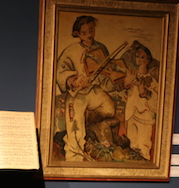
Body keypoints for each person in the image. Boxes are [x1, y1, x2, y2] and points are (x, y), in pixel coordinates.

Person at [56, 15, 119, 161]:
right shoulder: (71, 51)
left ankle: (89, 122)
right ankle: (74, 156)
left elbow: (105, 76)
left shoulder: (100, 48)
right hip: (77, 93)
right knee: (75, 126)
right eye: (84, 33)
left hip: (94, 91)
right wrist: (74, 80)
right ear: (77, 34)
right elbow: (60, 73)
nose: (89, 35)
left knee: (109, 107)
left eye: (91, 30)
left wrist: (116, 79)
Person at [123, 44, 158, 160]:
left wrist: (146, 93)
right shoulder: (132, 76)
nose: (139, 59)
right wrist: (126, 84)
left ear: (148, 60)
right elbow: (125, 95)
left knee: (143, 146)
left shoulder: (152, 80)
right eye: (137, 57)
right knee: (131, 144)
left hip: (145, 118)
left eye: (143, 57)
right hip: (132, 115)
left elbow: (156, 102)